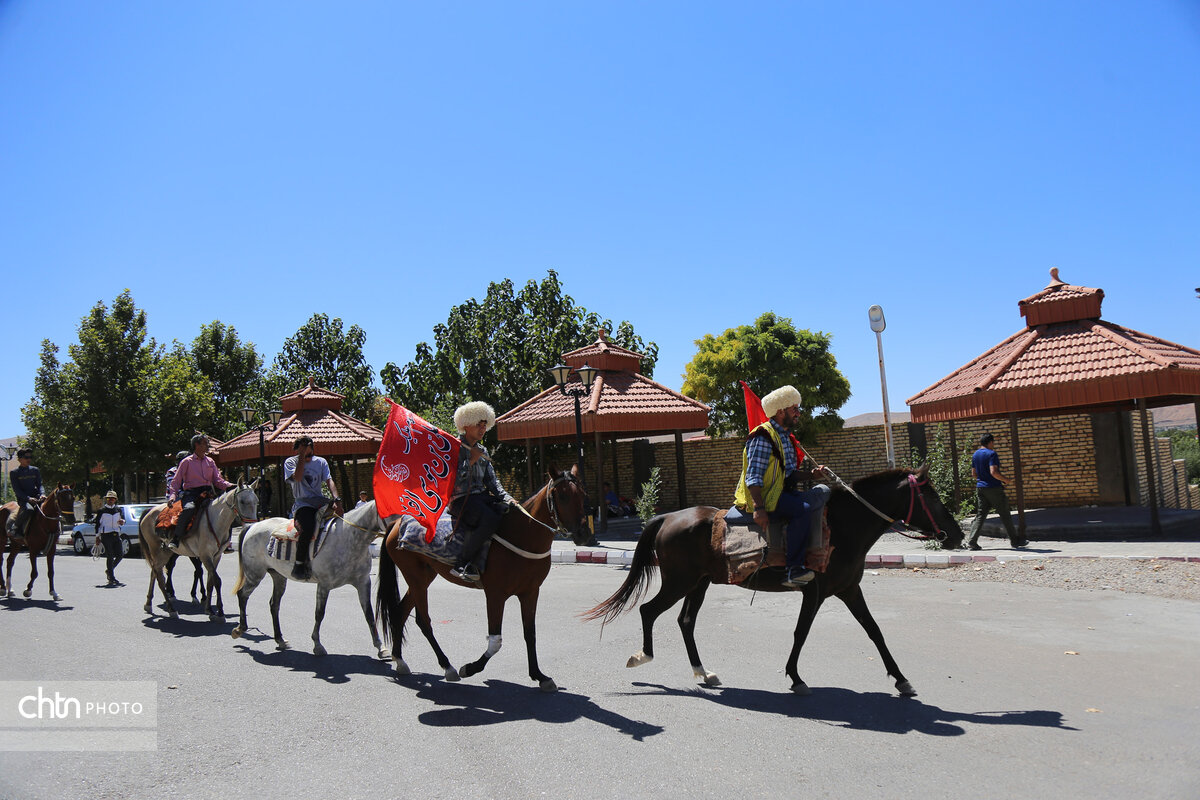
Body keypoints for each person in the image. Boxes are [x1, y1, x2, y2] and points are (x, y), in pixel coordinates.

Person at [733, 385, 830, 588]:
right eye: (794, 408)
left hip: (783, 492)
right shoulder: (762, 437)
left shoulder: (784, 437)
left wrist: (813, 475)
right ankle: (793, 569)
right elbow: (753, 476)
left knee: (823, 493)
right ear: (780, 411)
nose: (798, 413)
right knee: (802, 510)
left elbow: (789, 475)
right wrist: (759, 509)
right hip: (765, 496)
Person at [449, 401, 519, 583]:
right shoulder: (453, 448)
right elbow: (450, 481)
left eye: (484, 426)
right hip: (461, 500)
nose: (482, 429)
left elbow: (492, 482)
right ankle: (462, 563)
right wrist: (470, 461)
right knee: (490, 518)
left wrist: (508, 498)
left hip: (481, 498)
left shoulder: (483, 451)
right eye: (478, 425)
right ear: (465, 425)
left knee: (506, 512)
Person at [283, 436, 342, 580]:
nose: (308, 455)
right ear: (297, 450)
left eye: (309, 452)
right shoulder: (290, 462)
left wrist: (337, 499)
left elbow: (329, 480)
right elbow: (297, 478)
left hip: (321, 501)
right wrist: (302, 457)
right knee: (308, 528)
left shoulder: (321, 462)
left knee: (340, 523)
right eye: (303, 450)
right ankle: (299, 564)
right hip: (303, 504)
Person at [167, 434, 233, 552]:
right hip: (191, 494)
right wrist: (172, 496)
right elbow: (176, 481)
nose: (207, 446)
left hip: (208, 493)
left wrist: (230, 486)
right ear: (196, 445)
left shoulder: (210, 461)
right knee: (189, 509)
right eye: (204, 443)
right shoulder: (186, 462)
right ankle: (176, 538)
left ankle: (225, 542)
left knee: (227, 510)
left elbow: (218, 481)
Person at [967, 433, 1028, 550]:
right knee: (1005, 514)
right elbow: (993, 472)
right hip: (994, 488)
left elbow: (974, 474)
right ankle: (1015, 541)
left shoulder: (975, 454)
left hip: (981, 488)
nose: (993, 445)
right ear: (990, 442)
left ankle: (972, 541)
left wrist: (982, 480)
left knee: (981, 515)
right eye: (993, 443)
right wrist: (1006, 480)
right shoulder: (992, 454)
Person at [8, 447, 45, 542]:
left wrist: (42, 494)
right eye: (26, 457)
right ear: (20, 459)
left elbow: (40, 484)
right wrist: (28, 498)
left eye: (30, 457)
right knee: (29, 509)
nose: (29, 459)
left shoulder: (35, 470)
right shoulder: (14, 473)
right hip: (23, 499)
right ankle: (15, 528)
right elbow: (17, 490)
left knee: (49, 506)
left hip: (36, 497)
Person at [93, 490, 126, 585]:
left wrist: (122, 522)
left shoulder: (118, 510)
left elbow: (123, 520)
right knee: (110, 556)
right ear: (106, 499)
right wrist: (97, 537)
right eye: (108, 498)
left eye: (112, 498)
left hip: (116, 534)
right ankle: (111, 577)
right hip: (106, 535)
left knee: (120, 555)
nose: (110, 500)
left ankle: (109, 570)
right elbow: (97, 525)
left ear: (115, 500)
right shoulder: (101, 511)